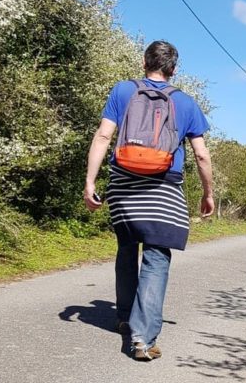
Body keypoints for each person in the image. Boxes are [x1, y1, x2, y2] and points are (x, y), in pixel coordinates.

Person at [83, 40, 214, 361]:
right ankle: (141, 338)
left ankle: (126, 317)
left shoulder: (122, 91)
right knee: (156, 257)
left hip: (123, 185)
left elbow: (103, 136)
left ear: (145, 63)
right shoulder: (185, 103)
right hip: (164, 187)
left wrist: (90, 181)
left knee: (127, 247)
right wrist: (208, 193)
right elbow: (200, 154)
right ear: (173, 69)